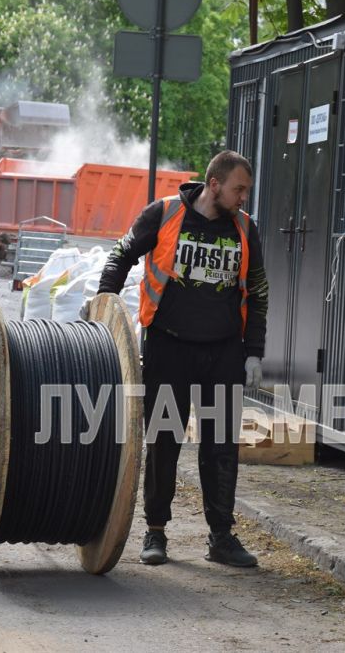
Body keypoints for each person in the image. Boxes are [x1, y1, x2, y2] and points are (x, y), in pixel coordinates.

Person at [90, 150, 269, 568]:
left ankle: (221, 537)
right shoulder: (165, 213)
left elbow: (258, 292)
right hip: (169, 347)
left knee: (221, 446)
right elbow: (121, 255)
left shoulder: (245, 228)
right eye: (239, 188)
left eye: (247, 190)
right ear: (214, 184)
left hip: (224, 351)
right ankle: (155, 533)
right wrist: (103, 305)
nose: (244, 197)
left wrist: (254, 354)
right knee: (164, 441)